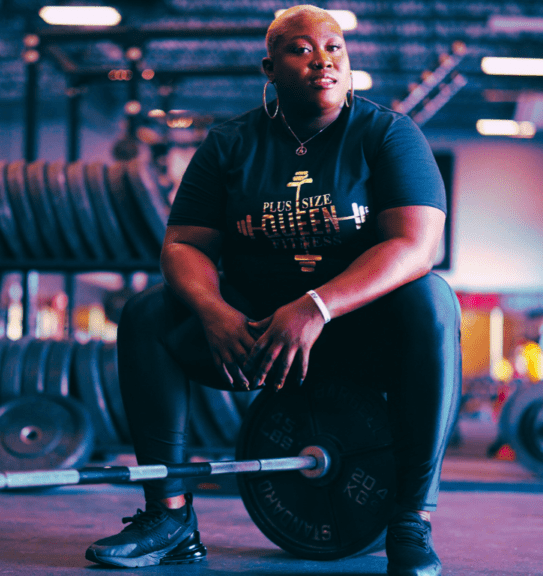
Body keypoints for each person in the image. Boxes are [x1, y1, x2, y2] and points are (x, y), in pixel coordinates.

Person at [85, 6, 461, 576]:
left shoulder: (387, 132)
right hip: (252, 336)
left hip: (356, 334)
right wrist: (212, 312)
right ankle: (170, 518)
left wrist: (316, 307)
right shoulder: (230, 143)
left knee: (431, 300)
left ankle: (410, 518)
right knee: (147, 316)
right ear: (270, 66)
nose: (323, 61)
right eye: (302, 49)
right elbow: (183, 244)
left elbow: (416, 244)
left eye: (334, 48)